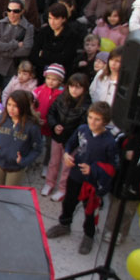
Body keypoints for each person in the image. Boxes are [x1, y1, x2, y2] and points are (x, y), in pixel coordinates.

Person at [46, 101, 117, 255]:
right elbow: (71, 143)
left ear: (105, 121)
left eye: (97, 119)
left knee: (90, 210)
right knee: (69, 202)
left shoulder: (110, 142)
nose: (92, 122)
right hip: (75, 176)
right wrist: (66, 154)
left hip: (92, 183)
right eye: (90, 117)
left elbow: (112, 167)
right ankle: (64, 224)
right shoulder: (82, 129)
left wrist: (94, 170)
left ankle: (89, 235)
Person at [43, 73, 92, 202]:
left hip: (72, 142)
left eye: (78, 87)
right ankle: (49, 183)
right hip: (57, 137)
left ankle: (62, 189)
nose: (74, 90)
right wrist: (54, 125)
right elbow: (51, 113)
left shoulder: (86, 106)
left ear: (84, 89)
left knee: (66, 167)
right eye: (72, 86)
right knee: (53, 162)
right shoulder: (61, 98)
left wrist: (70, 136)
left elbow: (83, 127)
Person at [0, 89, 44, 187]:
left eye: (15, 106)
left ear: (23, 107)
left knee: (10, 193)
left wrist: (25, 161)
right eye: (9, 105)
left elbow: (38, 149)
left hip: (16, 168)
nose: (11, 109)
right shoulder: (2, 117)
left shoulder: (32, 126)